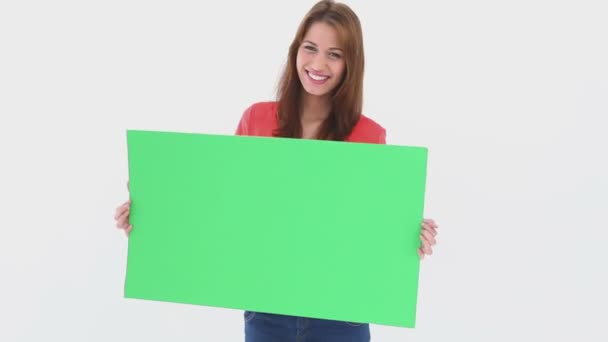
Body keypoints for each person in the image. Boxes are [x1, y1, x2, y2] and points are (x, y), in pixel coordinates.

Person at [114, 1, 439, 341]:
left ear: (351, 64)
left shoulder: (369, 136)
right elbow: (221, 208)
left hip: (343, 315)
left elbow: (371, 227)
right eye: (310, 48)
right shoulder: (257, 120)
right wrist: (152, 218)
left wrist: (408, 236)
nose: (318, 64)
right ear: (295, 50)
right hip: (268, 312)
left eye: (335, 54)